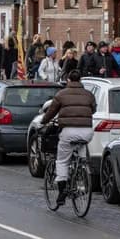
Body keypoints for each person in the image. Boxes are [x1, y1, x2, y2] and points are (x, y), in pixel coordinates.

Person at [41, 70, 94, 209]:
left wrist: (43, 121)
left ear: (68, 80)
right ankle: (82, 172)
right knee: (81, 147)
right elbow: (92, 109)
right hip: (87, 131)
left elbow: (51, 111)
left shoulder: (61, 94)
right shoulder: (89, 94)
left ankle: (62, 191)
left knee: (62, 160)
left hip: (69, 131)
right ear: (80, 80)